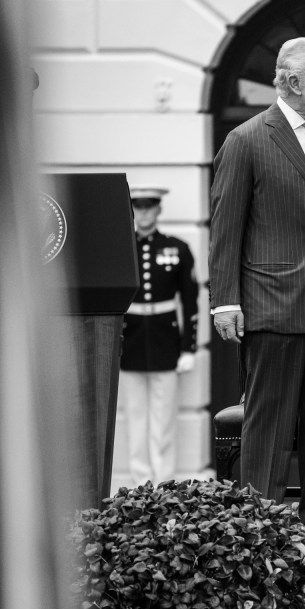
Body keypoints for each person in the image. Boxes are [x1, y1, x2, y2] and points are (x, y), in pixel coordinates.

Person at [208, 37, 305, 550]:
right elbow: (225, 227)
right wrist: (225, 300)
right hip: (271, 305)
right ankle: (261, 530)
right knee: (267, 426)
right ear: (292, 82)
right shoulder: (246, 139)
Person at [119, 185, 199, 486]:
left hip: (166, 340)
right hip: (132, 340)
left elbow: (190, 301)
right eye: (138, 207)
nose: (144, 213)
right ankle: (141, 483)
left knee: (164, 419)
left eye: (149, 207)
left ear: (158, 209)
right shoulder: (122, 250)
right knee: (136, 418)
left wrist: (189, 347)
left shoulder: (176, 248)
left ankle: (164, 482)